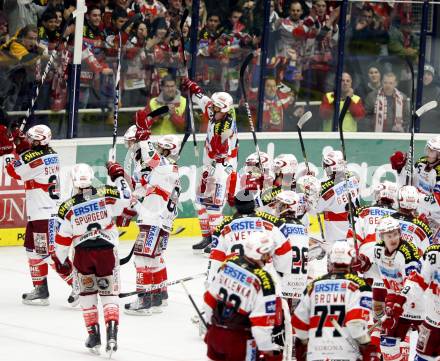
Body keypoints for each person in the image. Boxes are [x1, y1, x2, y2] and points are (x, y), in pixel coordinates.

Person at [54, 162, 132, 355]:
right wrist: (119, 177)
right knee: (109, 296)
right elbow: (128, 200)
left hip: (83, 255)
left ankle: (94, 335)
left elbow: (62, 240)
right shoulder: (107, 193)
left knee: (87, 295)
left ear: (73, 181)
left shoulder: (67, 206)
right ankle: (112, 336)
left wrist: (61, 260)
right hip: (107, 252)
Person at [4, 124, 75, 305]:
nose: (28, 141)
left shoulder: (33, 157)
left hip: (45, 214)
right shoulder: (51, 154)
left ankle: (81, 288)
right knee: (32, 252)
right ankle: (41, 289)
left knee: (51, 255)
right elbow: (29, 159)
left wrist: (9, 149)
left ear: (39, 141)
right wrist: (21, 147)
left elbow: (13, 171)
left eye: (31, 139)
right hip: (38, 213)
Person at [119, 133, 182, 315]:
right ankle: (158, 295)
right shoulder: (167, 169)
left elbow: (151, 159)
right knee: (154, 257)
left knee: (142, 258)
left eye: (161, 148)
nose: (157, 151)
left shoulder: (163, 166)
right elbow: (142, 190)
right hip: (162, 221)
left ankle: (144, 300)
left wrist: (144, 138)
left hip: (153, 220)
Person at [204, 231, 283, 361]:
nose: (269, 256)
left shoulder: (228, 264)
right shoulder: (264, 280)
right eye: (267, 252)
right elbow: (261, 324)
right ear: (261, 253)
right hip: (239, 340)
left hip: (215, 335)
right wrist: (268, 350)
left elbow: (209, 300)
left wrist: (212, 328)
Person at [292, 241, 377, 361]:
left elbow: (298, 322)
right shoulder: (361, 286)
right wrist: (367, 345)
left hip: (316, 354)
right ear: (351, 260)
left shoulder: (313, 286)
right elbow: (355, 324)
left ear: (331, 260)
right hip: (345, 354)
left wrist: (305, 344)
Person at [352, 217, 422, 361]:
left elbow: (414, 282)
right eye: (389, 235)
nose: (394, 238)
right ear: (381, 237)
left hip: (417, 301)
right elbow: (383, 274)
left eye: (396, 234)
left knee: (428, 347)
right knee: (388, 346)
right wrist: (365, 266)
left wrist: (400, 300)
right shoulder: (378, 250)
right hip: (396, 300)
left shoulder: (407, 252)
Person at [182, 78, 238, 253]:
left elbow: (218, 152)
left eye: (216, 108)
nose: (212, 110)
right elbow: (203, 100)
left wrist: (215, 148)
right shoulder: (216, 112)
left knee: (214, 207)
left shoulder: (226, 130)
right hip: (209, 166)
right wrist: (194, 89)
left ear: (224, 110)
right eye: (213, 107)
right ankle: (207, 237)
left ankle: (217, 241)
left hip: (222, 167)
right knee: (200, 203)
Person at [207, 189, 293, 284]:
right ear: (253, 204)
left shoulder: (222, 227)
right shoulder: (273, 222)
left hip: (235, 281)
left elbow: (216, 258)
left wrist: (211, 281)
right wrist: (279, 276)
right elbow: (285, 252)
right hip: (265, 281)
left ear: (236, 206)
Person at [347, 181, 398, 321]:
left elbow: (352, 238)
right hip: (390, 259)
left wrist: (354, 256)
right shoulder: (399, 216)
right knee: (387, 303)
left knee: (367, 301)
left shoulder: (365, 211)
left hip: (367, 258)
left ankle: (368, 324)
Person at [393, 243, 440, 360]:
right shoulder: (433, 254)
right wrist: (402, 299)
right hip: (432, 321)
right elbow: (417, 280)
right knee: (422, 357)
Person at [390, 136, 440, 243]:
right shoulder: (422, 162)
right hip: (416, 211)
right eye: (428, 149)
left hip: (435, 219)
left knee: (428, 246)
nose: (428, 153)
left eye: (432, 151)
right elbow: (408, 184)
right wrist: (401, 168)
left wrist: (414, 197)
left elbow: (437, 203)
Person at [316, 147, 360, 249]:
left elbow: (315, 210)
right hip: (353, 233)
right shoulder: (354, 178)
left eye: (327, 166)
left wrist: (312, 190)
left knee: (335, 263)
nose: (326, 169)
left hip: (336, 236)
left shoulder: (326, 189)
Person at [420, 64, 440, 133]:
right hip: (418, 129)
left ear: (433, 77)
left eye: (428, 74)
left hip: (434, 130)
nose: (425, 76)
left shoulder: (438, 92)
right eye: (424, 74)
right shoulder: (416, 90)